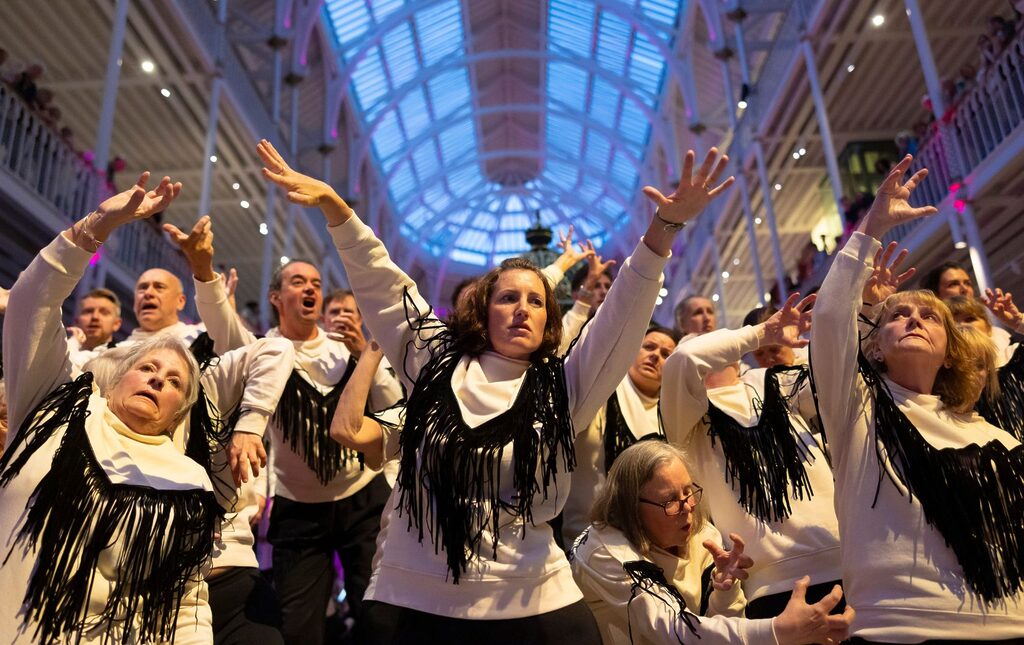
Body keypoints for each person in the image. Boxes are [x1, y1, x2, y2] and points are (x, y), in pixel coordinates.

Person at [256, 137, 734, 642]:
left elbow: (621, 316)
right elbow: (383, 282)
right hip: (413, 595)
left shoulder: (564, 385)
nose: (523, 307)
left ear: (551, 317)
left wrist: (662, 229)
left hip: (532, 595)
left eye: (536, 300)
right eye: (508, 297)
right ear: (484, 310)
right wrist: (338, 210)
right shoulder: (437, 360)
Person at [811, 154, 1024, 640]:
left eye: (929, 318)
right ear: (877, 347)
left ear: (951, 354)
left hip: (1011, 624)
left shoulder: (994, 435)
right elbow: (828, 321)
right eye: (897, 315)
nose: (912, 319)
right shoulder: (856, 408)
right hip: (901, 627)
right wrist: (871, 227)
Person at [0, 172, 219, 644]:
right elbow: (30, 303)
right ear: (117, 377)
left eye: (174, 381)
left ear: (181, 411)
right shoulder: (56, 408)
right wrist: (95, 225)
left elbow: (185, 601)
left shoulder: (188, 479)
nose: (158, 378)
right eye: (148, 368)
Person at [174, 214, 404, 645]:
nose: (311, 288)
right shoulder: (259, 351)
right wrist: (203, 270)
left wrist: (365, 354)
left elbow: (392, 407)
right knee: (297, 627)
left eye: (316, 282)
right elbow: (221, 323)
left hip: (362, 500)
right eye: (298, 281)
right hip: (299, 509)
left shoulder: (345, 348)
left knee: (379, 617)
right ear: (276, 297)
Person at [661, 294, 843, 619]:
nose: (715, 349)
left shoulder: (771, 381)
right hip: (769, 584)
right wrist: (759, 333)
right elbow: (685, 359)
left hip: (846, 560)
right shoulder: (686, 419)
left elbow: (835, 379)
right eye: (711, 343)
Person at [570, 441, 854, 645]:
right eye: (670, 501)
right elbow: (673, 630)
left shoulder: (702, 535)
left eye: (688, 491)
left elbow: (716, 628)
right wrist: (779, 630)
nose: (688, 507)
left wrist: (724, 590)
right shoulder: (604, 551)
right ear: (630, 507)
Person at [561, 324, 679, 546]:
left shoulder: (673, 414)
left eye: (666, 354)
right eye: (649, 347)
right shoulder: (600, 392)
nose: (655, 356)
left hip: (652, 543)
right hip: (589, 539)